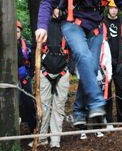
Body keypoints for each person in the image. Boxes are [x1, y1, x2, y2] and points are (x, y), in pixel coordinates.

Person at [0, 21, 37, 138]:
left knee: (28, 105)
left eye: (18, 32)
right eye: (13, 31)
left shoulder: (25, 45)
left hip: (20, 79)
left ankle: (32, 131)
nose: (15, 34)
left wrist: (28, 73)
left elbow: (27, 61)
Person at [35, 12, 70, 148]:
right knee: (43, 105)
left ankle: (55, 139)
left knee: (59, 106)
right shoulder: (43, 25)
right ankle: (42, 137)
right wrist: (38, 69)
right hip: (45, 71)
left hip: (63, 71)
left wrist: (70, 67)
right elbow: (35, 47)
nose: (56, 10)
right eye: (54, 7)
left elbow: (75, 47)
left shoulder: (67, 26)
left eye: (59, 7)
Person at [102, 0, 122, 128]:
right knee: (106, 93)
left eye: (116, 8)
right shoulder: (102, 22)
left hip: (120, 63)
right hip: (106, 64)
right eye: (111, 8)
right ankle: (108, 120)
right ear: (108, 8)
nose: (113, 10)